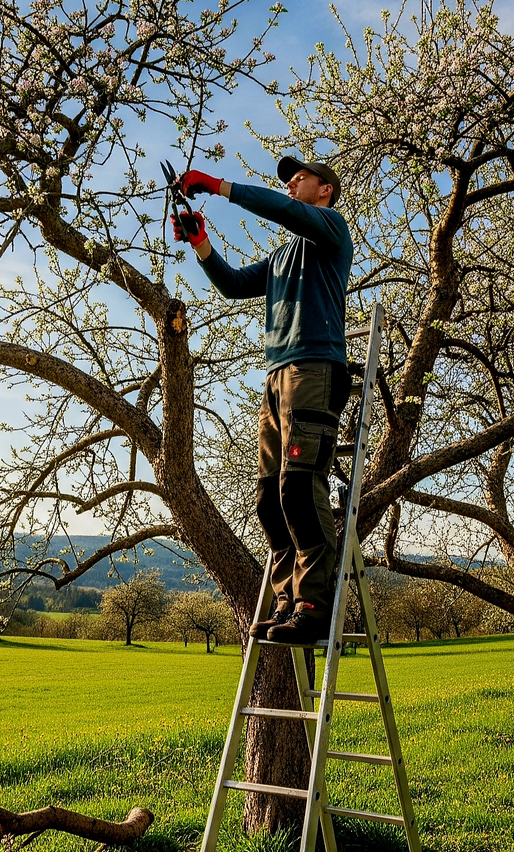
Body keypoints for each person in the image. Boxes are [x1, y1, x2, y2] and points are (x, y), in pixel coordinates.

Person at [172, 157, 353, 644]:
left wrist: (217, 185)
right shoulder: (280, 259)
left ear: (325, 191)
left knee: (299, 486)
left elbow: (279, 210)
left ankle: (313, 608)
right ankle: (286, 602)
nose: (291, 182)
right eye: (288, 178)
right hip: (277, 377)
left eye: (301, 177)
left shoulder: (331, 229)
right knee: (269, 501)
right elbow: (232, 286)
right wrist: (200, 242)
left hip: (315, 368)